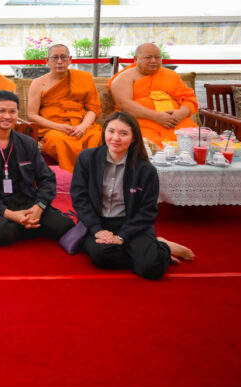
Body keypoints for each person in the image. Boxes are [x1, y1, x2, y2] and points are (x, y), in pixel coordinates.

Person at [71, 112, 195, 279]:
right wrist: (97, 230)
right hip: (99, 222)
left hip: (131, 223)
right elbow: (80, 198)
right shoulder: (87, 158)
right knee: (101, 256)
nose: (115, 138)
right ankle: (152, 247)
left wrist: (123, 236)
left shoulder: (146, 170)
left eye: (123, 133)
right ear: (104, 132)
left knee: (151, 268)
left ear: (134, 138)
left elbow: (148, 211)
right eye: (111, 131)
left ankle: (161, 249)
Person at [0, 90, 74, 245]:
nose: (7, 116)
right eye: (1, 111)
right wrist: (11, 214)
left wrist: (39, 207)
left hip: (25, 201)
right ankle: (31, 226)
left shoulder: (28, 143)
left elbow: (47, 178)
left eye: (12, 111)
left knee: (65, 226)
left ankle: (26, 223)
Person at [27, 43, 103, 172]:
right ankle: (69, 177)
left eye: (63, 57)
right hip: (53, 127)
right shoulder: (38, 83)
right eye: (55, 57)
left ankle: (91, 176)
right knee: (58, 140)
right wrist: (58, 127)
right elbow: (32, 115)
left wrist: (83, 127)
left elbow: (93, 109)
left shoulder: (84, 78)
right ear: (47, 61)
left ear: (70, 59)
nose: (59, 61)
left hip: (81, 124)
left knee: (95, 136)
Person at [109, 43, 198, 144]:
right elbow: (124, 105)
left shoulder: (171, 75)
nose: (153, 61)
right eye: (148, 57)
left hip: (176, 122)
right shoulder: (124, 78)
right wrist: (156, 116)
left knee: (198, 143)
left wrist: (181, 113)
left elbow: (188, 98)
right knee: (150, 146)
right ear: (135, 59)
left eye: (157, 57)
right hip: (142, 123)